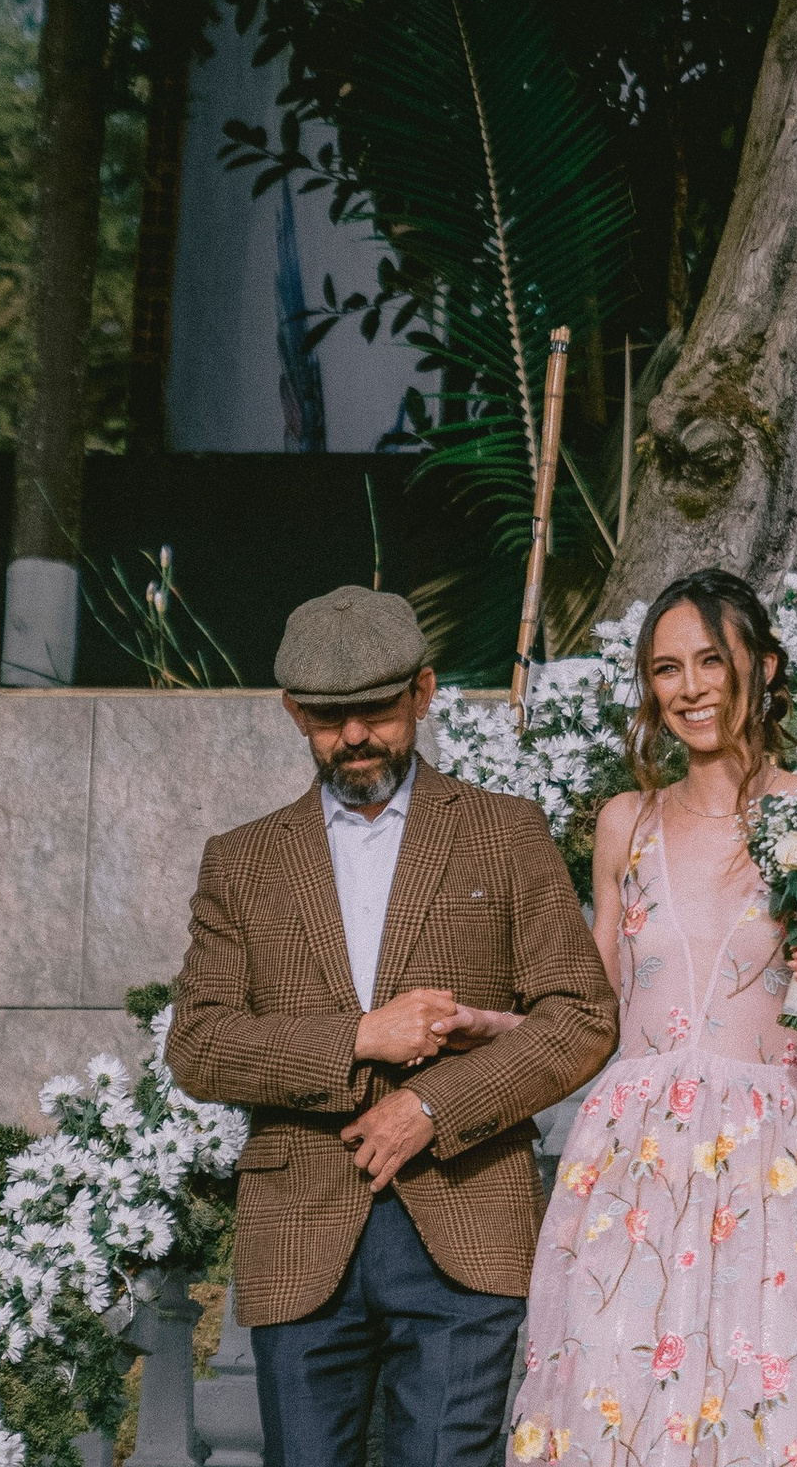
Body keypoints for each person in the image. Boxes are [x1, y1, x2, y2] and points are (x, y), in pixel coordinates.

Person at [166, 584, 620, 1467]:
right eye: (329, 718)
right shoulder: (243, 860)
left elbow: (580, 1016)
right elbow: (199, 1043)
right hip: (299, 1234)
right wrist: (359, 1039)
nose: (355, 736)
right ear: (294, 711)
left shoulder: (505, 832)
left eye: (376, 708)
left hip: (465, 1217)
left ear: (424, 690)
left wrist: (432, 1108)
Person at [508, 569, 797, 1467]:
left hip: (771, 1154)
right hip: (632, 1151)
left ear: (764, 664)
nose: (691, 688)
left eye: (712, 660)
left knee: (766, 1403)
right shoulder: (623, 823)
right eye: (667, 669)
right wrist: (498, 1033)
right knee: (610, 1398)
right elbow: (589, 1002)